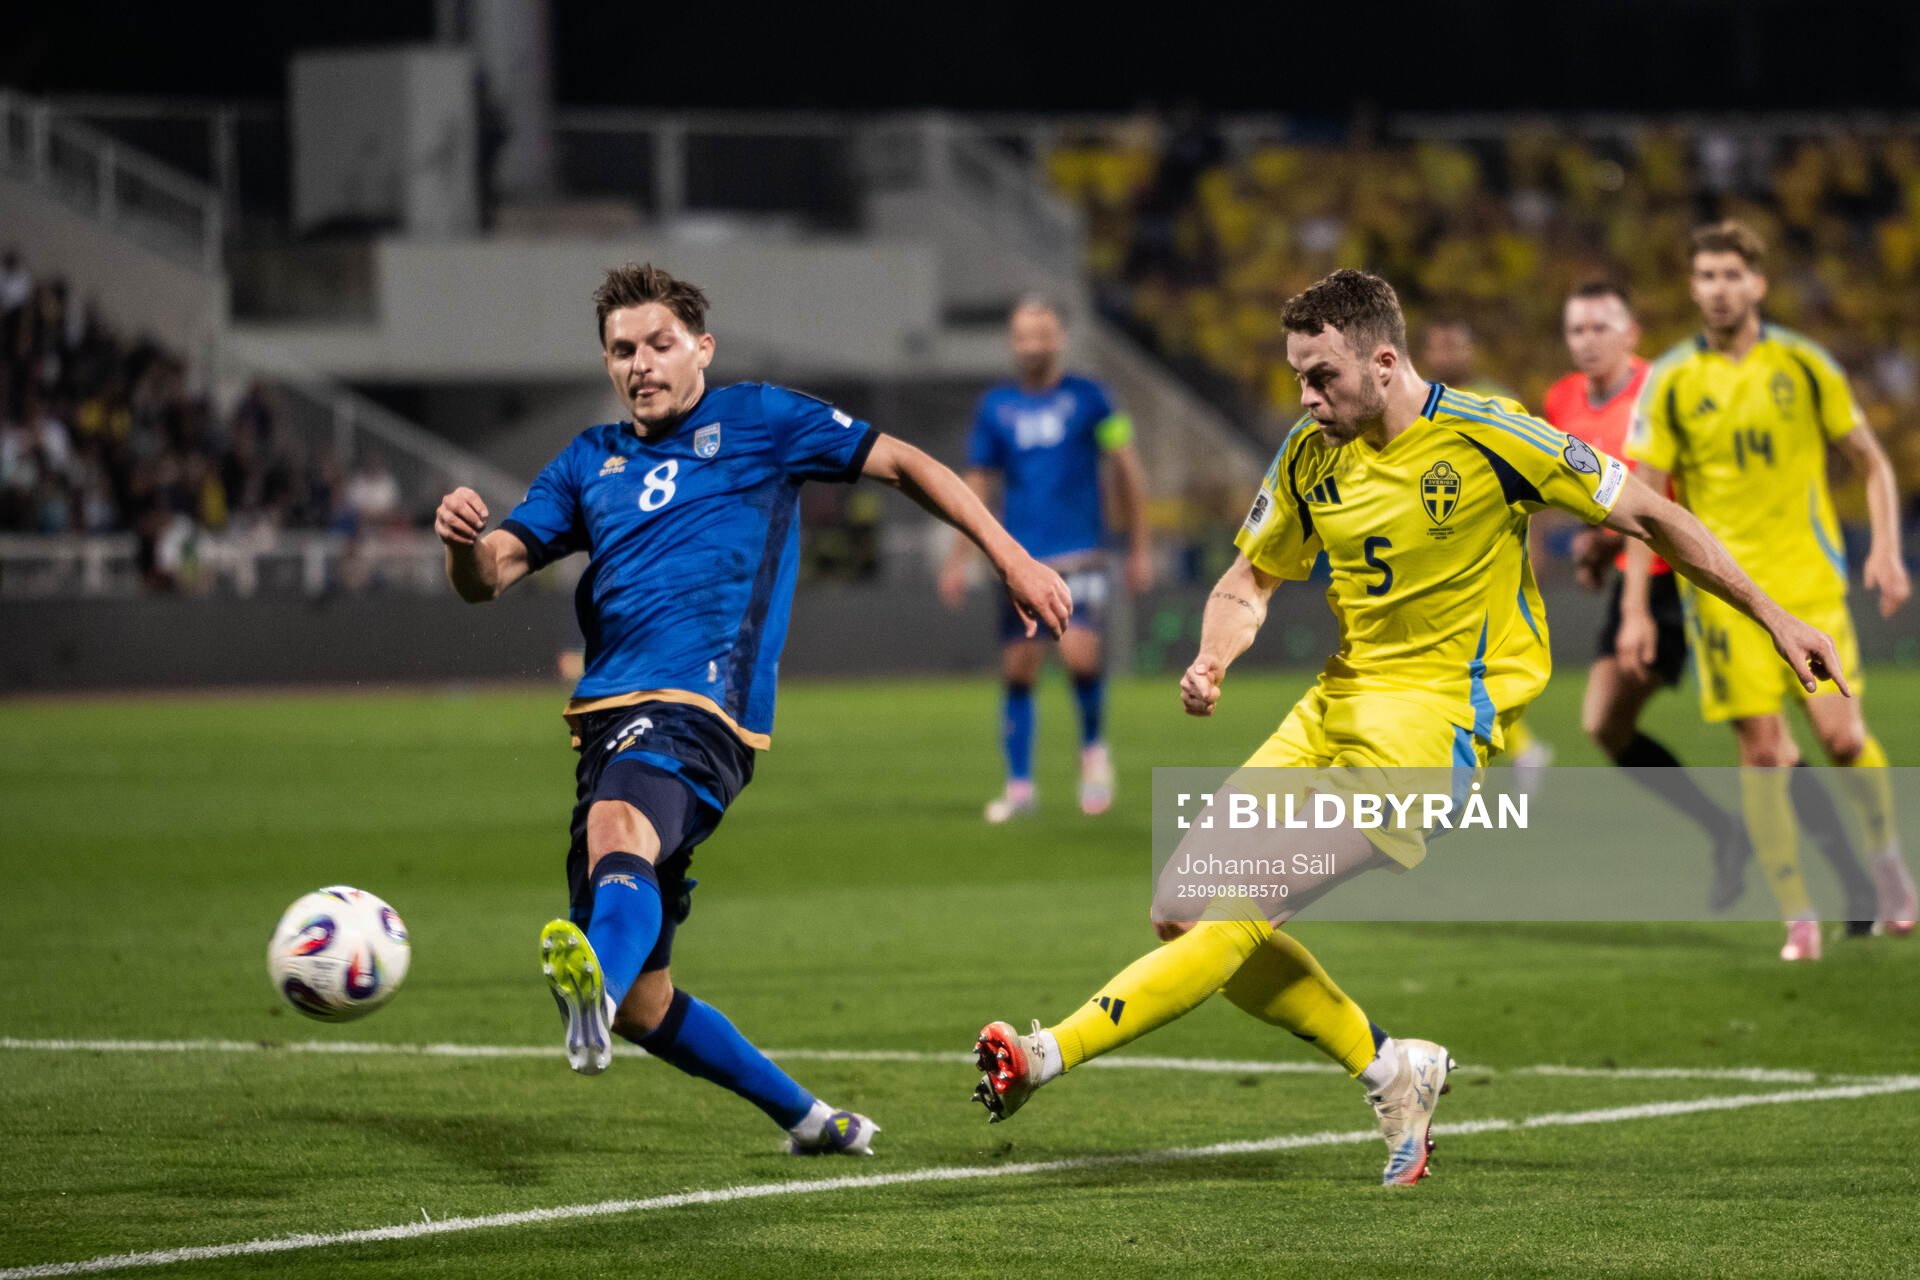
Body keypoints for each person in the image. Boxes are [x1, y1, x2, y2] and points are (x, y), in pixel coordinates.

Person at [971, 269, 1849, 1186]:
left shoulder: (1492, 435)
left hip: (1431, 735)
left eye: (1322, 377)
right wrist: (1215, 655)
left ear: (1384, 363)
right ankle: (1393, 1068)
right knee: (1180, 911)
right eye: (1298, 377)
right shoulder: (1311, 452)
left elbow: (1654, 516)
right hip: (1334, 707)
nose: (1306, 398)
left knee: (1238, 908)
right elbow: (1249, 580)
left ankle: (1045, 1054)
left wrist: (1775, 617)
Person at [435, 263, 1071, 1156]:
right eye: (622, 350)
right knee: (649, 1004)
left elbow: (905, 463)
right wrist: (462, 544)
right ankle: (811, 1119)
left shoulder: (763, 420)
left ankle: (593, 988)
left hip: (704, 707)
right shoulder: (587, 461)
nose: (641, 364)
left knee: (618, 828)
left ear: (702, 348)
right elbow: (490, 574)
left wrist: (1011, 556)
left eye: (659, 344)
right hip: (607, 719)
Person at [1624, 221, 1916, 959]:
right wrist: (1635, 611)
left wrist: (1886, 549)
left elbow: (1873, 463)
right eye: (1706, 276)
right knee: (1762, 755)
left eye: (1731, 274)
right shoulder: (1672, 380)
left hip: (1811, 586)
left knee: (1844, 739)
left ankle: (1889, 868)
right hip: (1726, 601)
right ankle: (1798, 915)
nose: (1719, 289)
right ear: (1693, 288)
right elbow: (1642, 505)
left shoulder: (1804, 364)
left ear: (1756, 283)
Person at [1543, 283, 1750, 905]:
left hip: (1695, 575)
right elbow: (1605, 496)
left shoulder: (1663, 389)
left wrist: (1634, 607)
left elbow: (1668, 499)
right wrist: (1597, 545)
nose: (1586, 341)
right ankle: (1725, 830)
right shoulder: (1562, 400)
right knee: (1604, 723)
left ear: (1630, 333)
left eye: (1599, 328)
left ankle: (1854, 878)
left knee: (1759, 727)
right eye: (1576, 329)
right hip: (1642, 574)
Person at [938, 297, 1151, 820]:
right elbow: (977, 484)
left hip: (1081, 554)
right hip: (1020, 561)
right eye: (1024, 335)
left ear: (1060, 339)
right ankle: (1019, 788)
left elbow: (1126, 467)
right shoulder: (996, 408)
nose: (1034, 344)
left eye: (1043, 334)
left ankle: (1094, 754)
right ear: (1013, 343)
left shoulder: (1093, 399)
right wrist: (958, 556)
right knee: (1019, 669)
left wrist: (1139, 544)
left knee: (1080, 655)